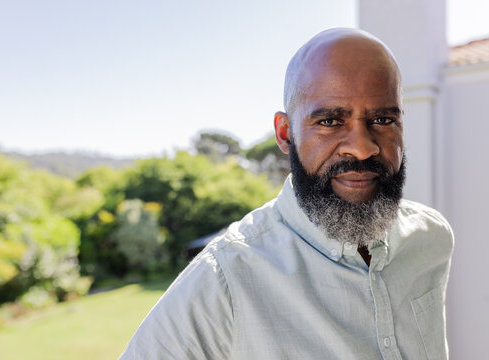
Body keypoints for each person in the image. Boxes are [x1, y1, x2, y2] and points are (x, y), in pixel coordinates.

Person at [120, 28, 454, 360]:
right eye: (330, 121)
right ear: (285, 133)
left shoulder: (431, 238)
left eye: (382, 119)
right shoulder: (225, 281)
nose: (362, 148)